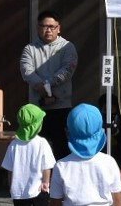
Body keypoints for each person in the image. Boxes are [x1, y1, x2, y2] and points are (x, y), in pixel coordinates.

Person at [20, 10, 78, 161]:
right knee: (37, 148)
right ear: (38, 28)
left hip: (61, 106)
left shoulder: (67, 47)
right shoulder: (29, 49)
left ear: (59, 28)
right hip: (36, 107)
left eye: (52, 26)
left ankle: (60, 181)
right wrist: (41, 87)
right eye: (44, 26)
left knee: (61, 147)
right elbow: (27, 71)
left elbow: (67, 70)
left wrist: (46, 85)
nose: (48, 30)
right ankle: (40, 182)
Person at [0, 103, 56, 206]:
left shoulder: (14, 144)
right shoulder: (42, 143)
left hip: (19, 187)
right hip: (39, 187)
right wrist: (46, 182)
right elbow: (47, 166)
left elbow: (9, 168)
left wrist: (11, 184)